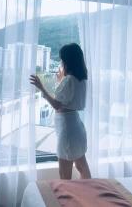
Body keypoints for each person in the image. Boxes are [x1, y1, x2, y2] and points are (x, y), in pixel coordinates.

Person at [30, 43, 91, 180]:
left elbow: (57, 105)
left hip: (68, 131)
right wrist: (61, 81)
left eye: (62, 59)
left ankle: (66, 201)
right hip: (76, 127)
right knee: (82, 168)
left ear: (68, 60)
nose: (61, 62)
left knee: (64, 175)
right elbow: (66, 100)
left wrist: (41, 87)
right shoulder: (81, 79)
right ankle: (90, 196)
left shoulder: (69, 80)